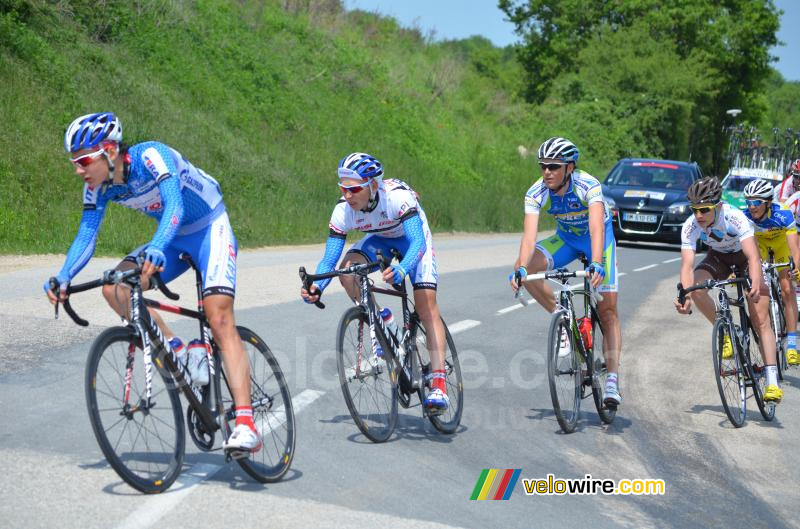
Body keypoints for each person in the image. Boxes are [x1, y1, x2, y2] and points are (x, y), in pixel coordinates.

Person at [45, 112, 262, 453]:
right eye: (74, 162)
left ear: (110, 151)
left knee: (219, 319)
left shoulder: (151, 155)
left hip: (209, 227)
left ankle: (247, 425)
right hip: (172, 237)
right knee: (115, 287)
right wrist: (64, 276)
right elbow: (87, 234)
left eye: (84, 161)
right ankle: (180, 353)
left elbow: (175, 204)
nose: (78, 170)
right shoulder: (98, 188)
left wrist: (158, 246)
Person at [300, 152, 451, 410]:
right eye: (343, 189)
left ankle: (439, 385)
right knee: (347, 272)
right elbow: (329, 260)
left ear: (372, 185)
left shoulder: (396, 198)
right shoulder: (343, 211)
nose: (348, 196)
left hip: (412, 240)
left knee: (425, 305)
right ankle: (380, 319)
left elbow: (418, 242)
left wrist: (402, 269)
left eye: (354, 189)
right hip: (380, 239)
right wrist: (317, 287)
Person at [509, 137, 623, 407]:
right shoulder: (536, 191)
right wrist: (522, 268)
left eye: (554, 167)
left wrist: (597, 262)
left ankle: (612, 380)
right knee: (525, 267)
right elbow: (529, 237)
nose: (547, 172)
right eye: (543, 166)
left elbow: (596, 227)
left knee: (607, 310)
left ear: (569, 167)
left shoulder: (588, 184)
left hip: (598, 241)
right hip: (567, 240)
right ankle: (562, 317)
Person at [674, 177, 783, 401]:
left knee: (760, 319)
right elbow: (686, 265)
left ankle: (772, 381)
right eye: (694, 210)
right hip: (718, 257)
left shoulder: (734, 217)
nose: (699, 215)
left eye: (705, 209)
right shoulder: (690, 226)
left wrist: (755, 283)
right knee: (697, 288)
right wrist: (686, 296)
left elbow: (753, 257)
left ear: (718, 206)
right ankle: (726, 332)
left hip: (745, 258)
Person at [744, 179, 800, 366]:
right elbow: (744, 248)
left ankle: (791, 345)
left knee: (787, 288)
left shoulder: (783, 213)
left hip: (781, 245)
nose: (752, 206)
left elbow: (795, 248)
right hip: (760, 246)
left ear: (768, 202)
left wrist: (796, 267)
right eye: (748, 202)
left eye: (756, 202)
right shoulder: (745, 216)